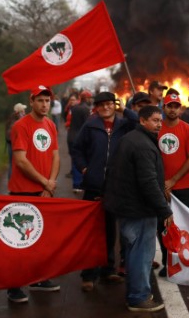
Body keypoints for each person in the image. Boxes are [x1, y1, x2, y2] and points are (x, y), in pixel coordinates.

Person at [105, 105, 171, 313]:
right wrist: (164, 210)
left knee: (135, 252)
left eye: (160, 120)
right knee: (141, 254)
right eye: (154, 120)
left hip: (128, 207)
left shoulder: (131, 139)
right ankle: (138, 297)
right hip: (139, 209)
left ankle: (136, 294)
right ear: (142, 121)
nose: (159, 124)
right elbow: (148, 182)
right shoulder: (142, 145)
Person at [71, 91, 138, 291]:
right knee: (92, 231)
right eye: (102, 105)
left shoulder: (123, 125)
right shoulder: (90, 126)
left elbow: (138, 122)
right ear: (97, 107)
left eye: (110, 104)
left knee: (110, 230)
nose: (106, 107)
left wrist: (124, 109)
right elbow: (77, 149)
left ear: (114, 105)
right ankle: (88, 274)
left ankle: (108, 270)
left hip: (115, 186)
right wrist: (84, 168)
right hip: (93, 185)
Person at [5, 86, 61, 303]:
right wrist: (44, 182)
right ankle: (14, 286)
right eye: (40, 100)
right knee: (20, 240)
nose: (44, 104)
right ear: (31, 102)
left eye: (47, 100)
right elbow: (20, 160)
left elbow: (55, 156)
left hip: (45, 190)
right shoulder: (21, 126)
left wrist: (50, 184)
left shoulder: (51, 125)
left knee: (42, 238)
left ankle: (38, 279)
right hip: (23, 191)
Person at [156, 92, 189, 276]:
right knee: (163, 227)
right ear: (164, 107)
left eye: (175, 106)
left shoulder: (188, 129)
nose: (172, 109)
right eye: (169, 106)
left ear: (180, 108)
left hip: (183, 187)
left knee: (182, 227)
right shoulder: (156, 128)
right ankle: (168, 263)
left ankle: (184, 262)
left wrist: (173, 180)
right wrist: (161, 183)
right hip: (159, 188)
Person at [65, 89, 92, 185]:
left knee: (74, 158)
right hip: (79, 137)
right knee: (80, 160)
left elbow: (67, 118)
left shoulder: (74, 108)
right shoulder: (86, 109)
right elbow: (87, 125)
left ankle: (76, 183)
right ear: (87, 98)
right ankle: (79, 183)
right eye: (90, 98)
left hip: (70, 136)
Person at [5, 103, 27, 180]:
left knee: (11, 162)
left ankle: (11, 181)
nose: (24, 112)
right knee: (18, 162)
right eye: (23, 110)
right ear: (19, 111)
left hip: (9, 142)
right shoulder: (19, 119)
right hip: (15, 143)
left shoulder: (11, 117)